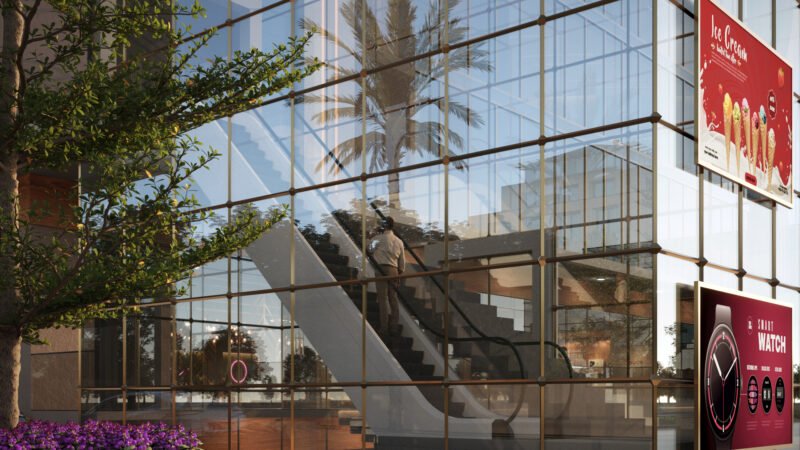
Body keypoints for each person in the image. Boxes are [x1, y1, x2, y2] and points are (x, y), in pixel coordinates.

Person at [370, 217, 405, 335]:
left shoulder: (377, 239)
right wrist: (399, 274)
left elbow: (368, 251)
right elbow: (402, 262)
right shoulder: (399, 241)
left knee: (383, 298)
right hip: (394, 270)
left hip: (380, 269)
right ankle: (394, 326)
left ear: (383, 226)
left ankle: (384, 327)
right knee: (393, 298)